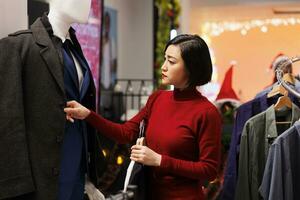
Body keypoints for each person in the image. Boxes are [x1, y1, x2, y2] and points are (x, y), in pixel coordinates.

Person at [65, 34, 222, 200]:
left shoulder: (207, 113)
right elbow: (125, 132)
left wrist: (159, 160)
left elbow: (209, 169)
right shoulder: (158, 99)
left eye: (172, 61)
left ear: (192, 67)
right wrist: (88, 114)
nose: (163, 66)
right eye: (165, 59)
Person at [0, 0, 104, 199]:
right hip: (42, 178)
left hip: (76, 173)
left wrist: (89, 176)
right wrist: (16, 188)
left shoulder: (74, 48)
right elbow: (8, 124)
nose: (88, 3)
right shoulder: (16, 46)